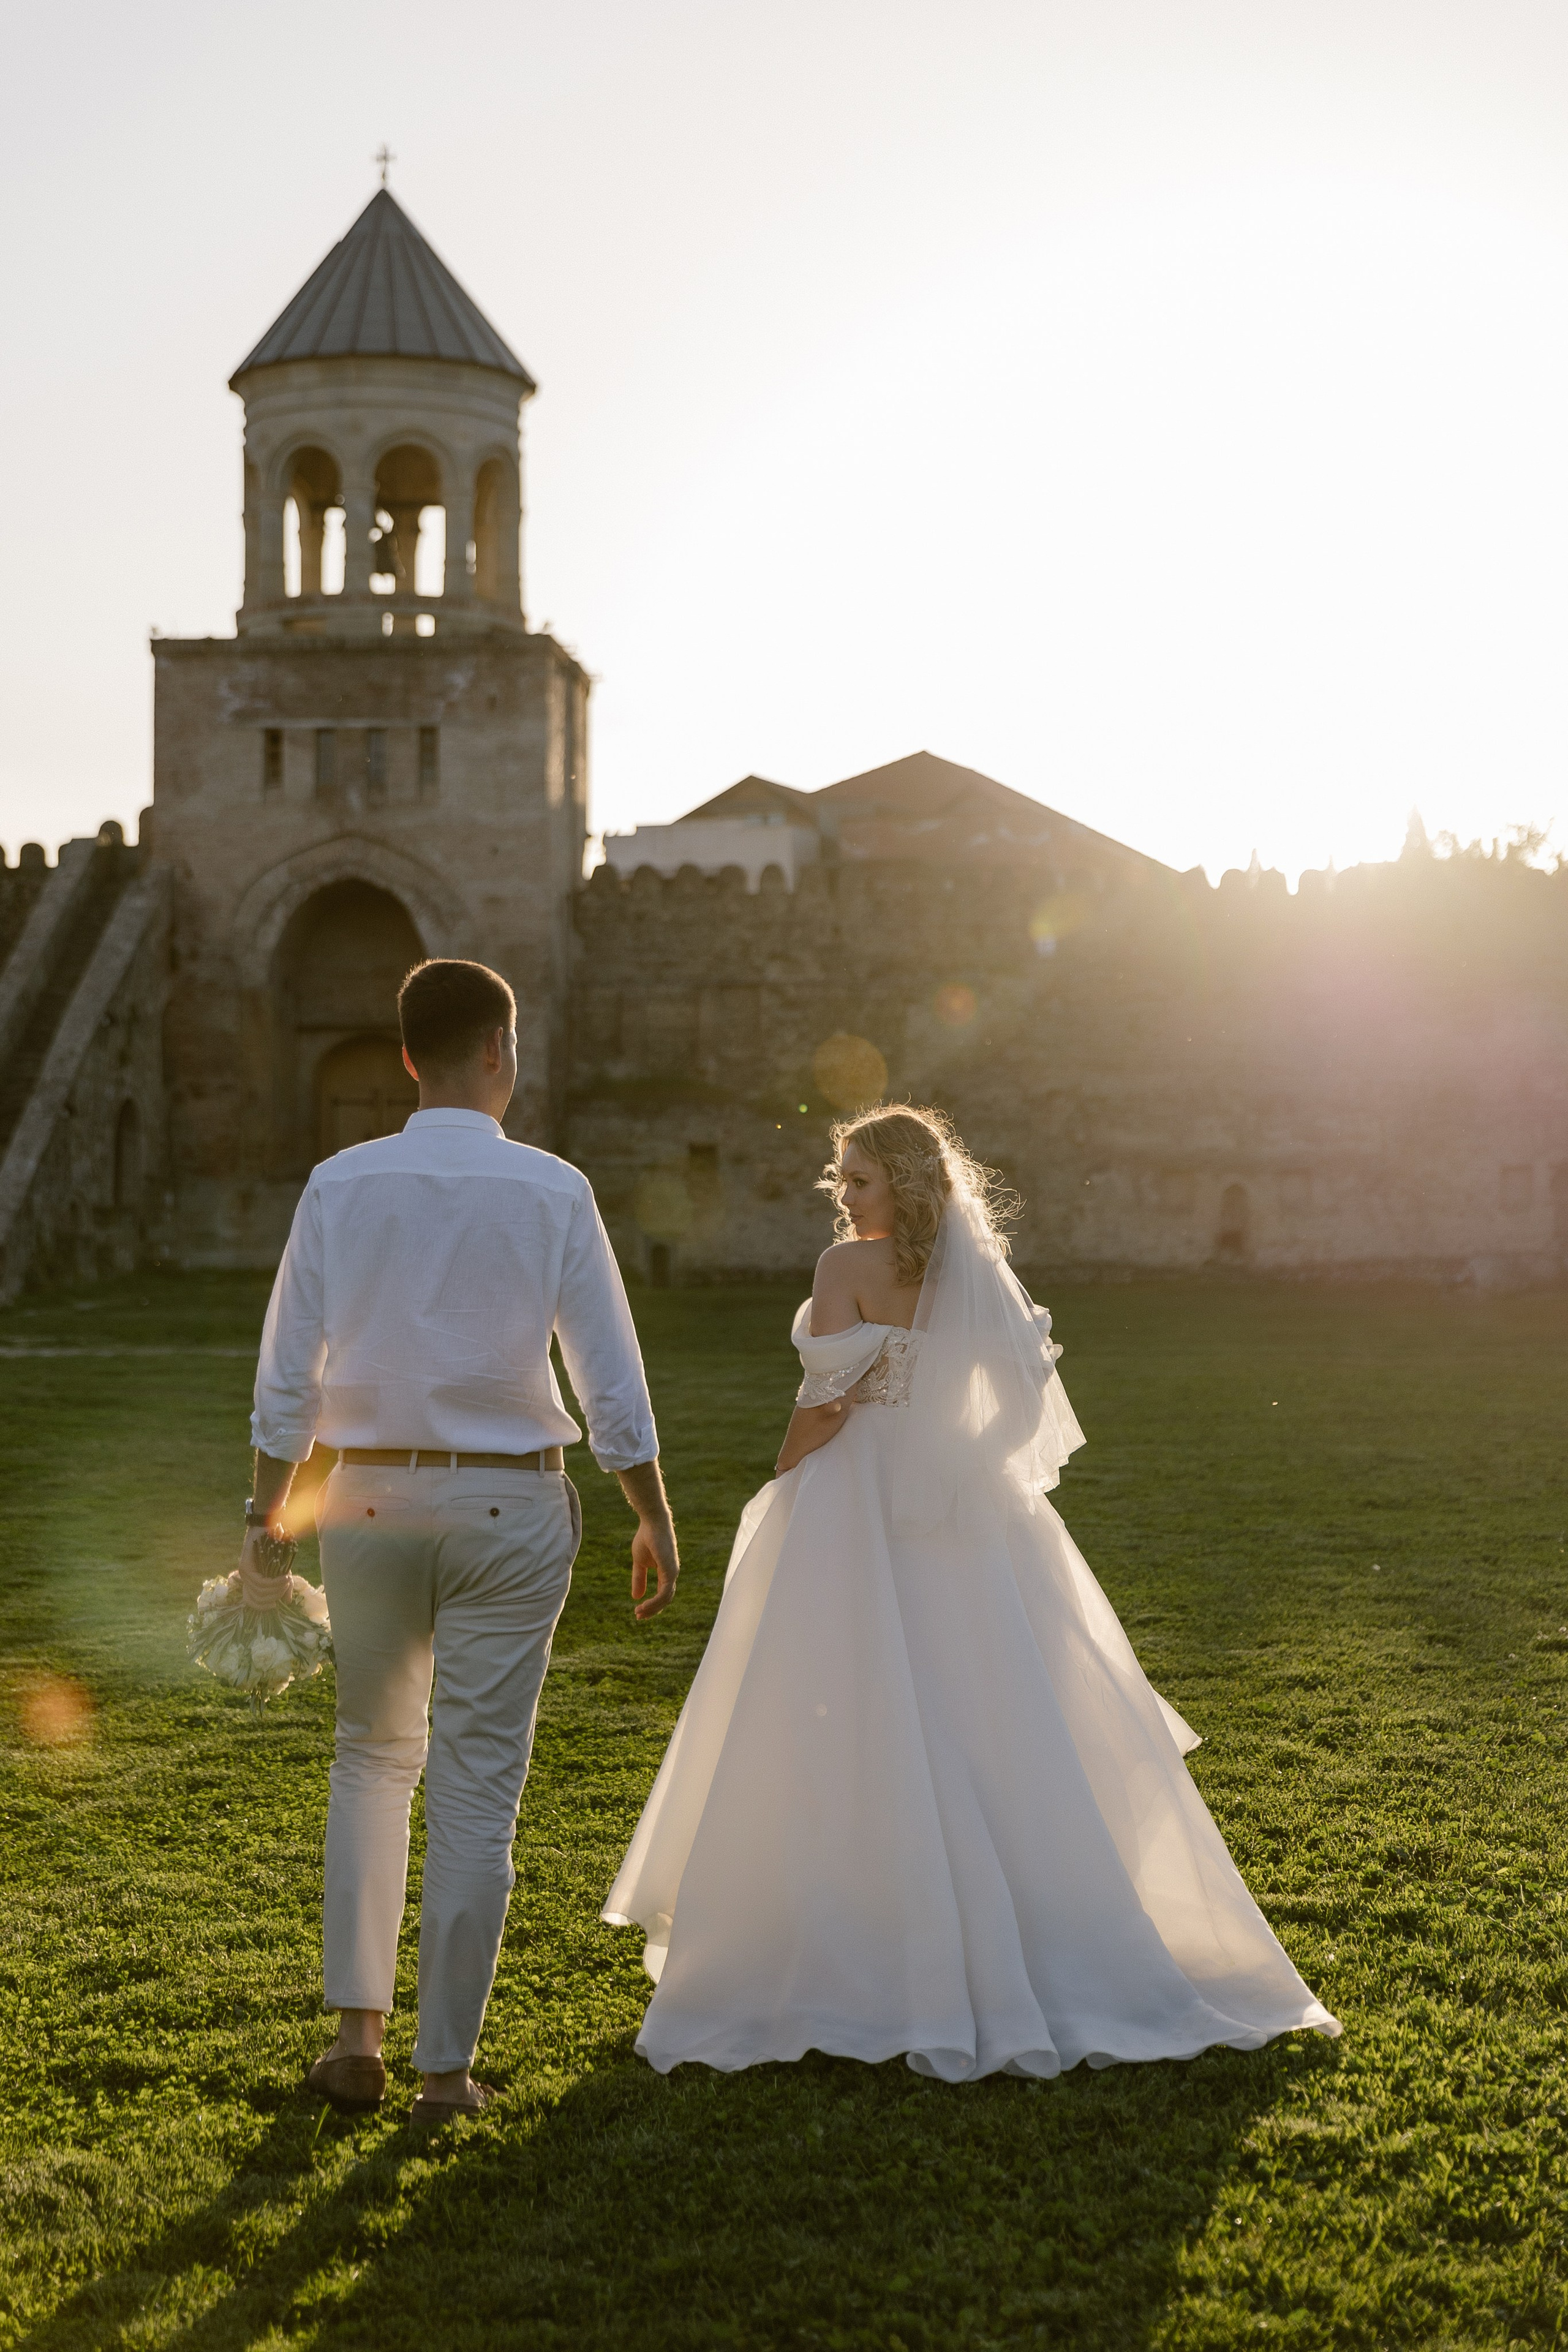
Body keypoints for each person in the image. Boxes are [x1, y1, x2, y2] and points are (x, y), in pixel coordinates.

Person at [604, 1104, 1337, 2079]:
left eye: (858, 1179)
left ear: (902, 1184)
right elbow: (1026, 1401)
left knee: (846, 1694)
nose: (843, 1194)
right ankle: (1019, 1922)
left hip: (857, 1494)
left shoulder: (843, 1268)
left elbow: (825, 1403)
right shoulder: (973, 1272)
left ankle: (844, 1933)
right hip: (963, 1504)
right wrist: (966, 1463)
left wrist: (782, 1473)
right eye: (841, 1178)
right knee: (984, 1696)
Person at [242, 957, 678, 2128]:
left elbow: (288, 1372)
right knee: (478, 1786)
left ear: (404, 1057)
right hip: (509, 1503)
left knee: (369, 1759)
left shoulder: (340, 1182)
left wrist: (264, 1517)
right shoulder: (553, 1188)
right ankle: (444, 2075)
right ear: (499, 1050)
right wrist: (649, 1508)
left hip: (365, 1501)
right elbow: (608, 1374)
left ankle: (355, 2039)